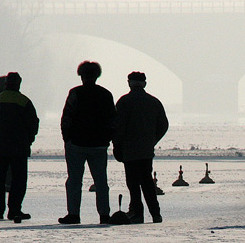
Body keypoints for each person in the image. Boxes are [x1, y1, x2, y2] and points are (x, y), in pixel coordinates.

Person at [59, 61, 116, 225]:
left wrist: (67, 138)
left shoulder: (75, 93)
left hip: (76, 144)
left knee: (74, 181)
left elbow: (66, 117)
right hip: (98, 145)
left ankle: (73, 214)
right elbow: (113, 120)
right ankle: (104, 214)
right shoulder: (105, 94)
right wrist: (107, 138)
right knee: (101, 182)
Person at [112, 72, 169, 224]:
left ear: (129, 83)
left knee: (133, 183)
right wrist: (152, 140)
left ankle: (137, 213)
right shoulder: (153, 102)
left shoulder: (124, 102)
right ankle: (155, 214)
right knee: (147, 183)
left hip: (129, 150)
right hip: (146, 150)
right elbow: (163, 125)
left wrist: (117, 144)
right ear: (144, 83)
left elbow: (118, 126)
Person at [0, 71, 39, 223]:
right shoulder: (23, 101)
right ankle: (14, 210)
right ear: (19, 84)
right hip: (18, 148)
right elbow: (33, 123)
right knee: (18, 180)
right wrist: (29, 139)